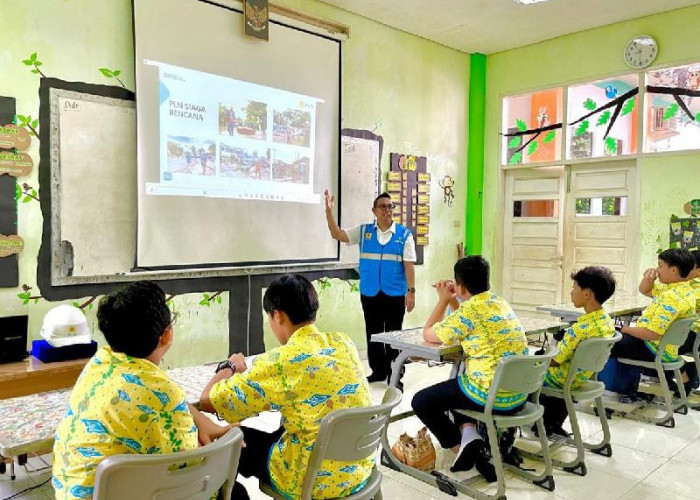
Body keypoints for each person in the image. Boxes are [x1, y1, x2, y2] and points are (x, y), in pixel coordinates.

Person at [199, 274, 372, 500]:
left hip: (310, 480)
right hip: (357, 468)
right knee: (282, 428)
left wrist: (230, 366)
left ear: (277, 316)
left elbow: (208, 400)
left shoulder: (282, 361)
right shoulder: (343, 342)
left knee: (230, 438)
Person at [52, 281, 229, 500]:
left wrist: (200, 420)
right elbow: (189, 475)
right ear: (166, 335)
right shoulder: (162, 393)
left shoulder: (98, 364)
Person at [411, 256, 528, 481]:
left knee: (422, 401)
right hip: (518, 394)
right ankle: (469, 435)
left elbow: (428, 333)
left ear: (461, 285)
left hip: (491, 397)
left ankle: (472, 456)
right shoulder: (499, 302)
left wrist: (443, 300)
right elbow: (463, 320)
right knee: (457, 385)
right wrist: (457, 299)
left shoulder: (469, 312)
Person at [324, 190, 416, 385]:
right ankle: (378, 371)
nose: (387, 210)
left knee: (394, 335)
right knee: (373, 334)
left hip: (395, 294)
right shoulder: (364, 232)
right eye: (382, 206)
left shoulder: (404, 235)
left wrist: (411, 292)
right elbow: (337, 234)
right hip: (370, 292)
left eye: (390, 206)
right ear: (374, 210)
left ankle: (395, 374)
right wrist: (329, 211)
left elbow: (409, 266)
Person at [539, 267, 616, 436]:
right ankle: (552, 422)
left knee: (524, 368)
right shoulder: (607, 322)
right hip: (581, 376)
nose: (571, 292)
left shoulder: (579, 330)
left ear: (587, 293)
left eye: (574, 287)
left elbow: (555, 361)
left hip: (561, 379)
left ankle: (537, 422)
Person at [610, 249, 696, 392]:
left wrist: (624, 329)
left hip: (652, 348)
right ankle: (682, 376)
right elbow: (644, 290)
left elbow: (652, 333)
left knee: (603, 341)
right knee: (613, 335)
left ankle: (613, 386)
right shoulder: (682, 290)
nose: (657, 269)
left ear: (673, 270)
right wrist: (649, 278)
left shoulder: (672, 297)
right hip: (664, 347)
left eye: (660, 266)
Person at [639, 248, 700, 394]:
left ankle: (680, 373)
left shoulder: (690, 288)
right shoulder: (680, 285)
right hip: (685, 332)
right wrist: (651, 277)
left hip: (692, 334)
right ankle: (676, 374)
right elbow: (646, 290)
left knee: (649, 342)